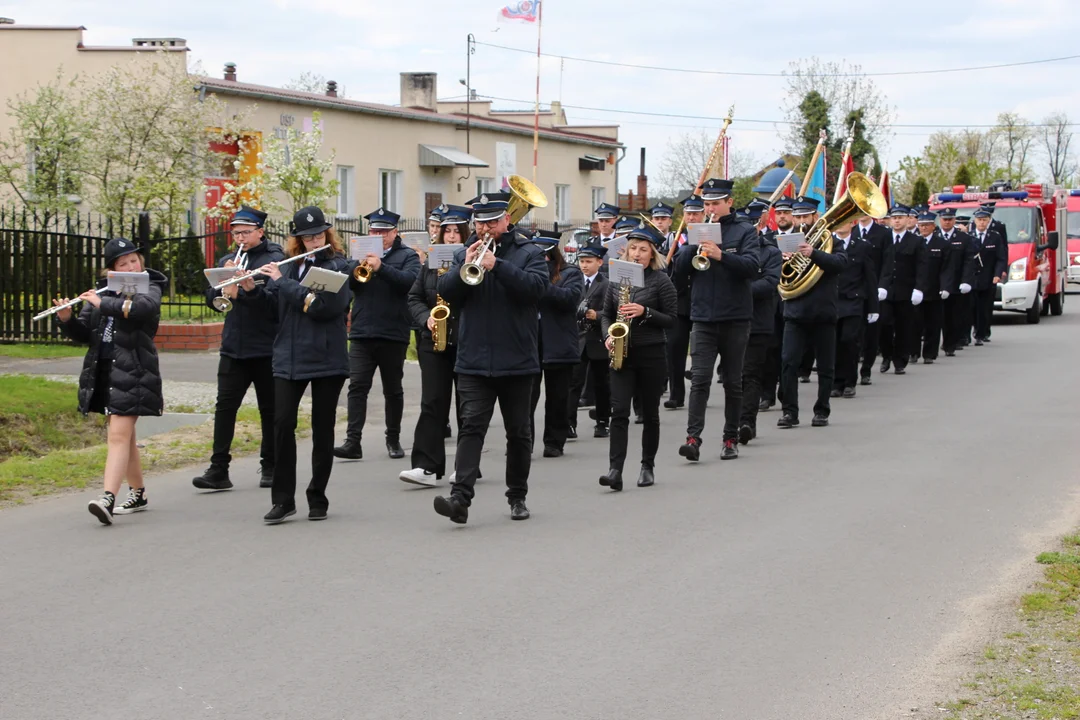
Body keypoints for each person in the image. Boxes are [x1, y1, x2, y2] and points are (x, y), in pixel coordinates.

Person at [431, 193, 548, 524]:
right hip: (473, 358)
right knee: (471, 427)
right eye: (480, 222)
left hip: (517, 357)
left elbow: (536, 290)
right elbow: (446, 291)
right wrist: (462, 266)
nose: (485, 228)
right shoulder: (461, 253)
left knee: (519, 432)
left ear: (506, 221)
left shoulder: (529, 253)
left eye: (492, 222)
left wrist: (498, 266)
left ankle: (517, 496)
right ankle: (460, 499)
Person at [57, 237, 167, 524]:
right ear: (111, 270)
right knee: (125, 437)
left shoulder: (149, 287)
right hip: (105, 370)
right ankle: (138, 493)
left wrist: (101, 302)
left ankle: (107, 497)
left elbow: (143, 310)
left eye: (134, 260)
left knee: (118, 434)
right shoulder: (102, 292)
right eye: (123, 263)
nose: (131, 266)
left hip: (135, 370)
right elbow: (86, 336)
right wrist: (68, 319)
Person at [257, 207, 351, 524]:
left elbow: (324, 308)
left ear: (327, 235)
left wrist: (283, 284)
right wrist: (248, 291)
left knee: (322, 430)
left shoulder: (337, 266)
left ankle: (317, 497)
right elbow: (276, 311)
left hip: (327, 359)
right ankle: (283, 500)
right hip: (288, 357)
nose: (313, 241)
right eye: (307, 236)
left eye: (318, 235)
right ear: (296, 240)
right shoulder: (290, 268)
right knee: (282, 425)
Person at [194, 206, 285, 492]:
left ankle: (270, 465)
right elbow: (211, 297)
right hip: (234, 347)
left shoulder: (275, 260)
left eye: (246, 232)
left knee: (269, 411)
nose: (240, 238)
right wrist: (222, 291)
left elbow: (275, 305)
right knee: (225, 409)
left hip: (266, 347)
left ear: (261, 231)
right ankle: (218, 469)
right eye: (236, 233)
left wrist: (248, 289)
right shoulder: (228, 259)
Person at [675, 178, 760, 461]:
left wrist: (721, 255)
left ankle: (730, 438)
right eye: (707, 204)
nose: (710, 208)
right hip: (703, 317)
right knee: (699, 380)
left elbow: (751, 267)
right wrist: (689, 247)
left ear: (729, 203)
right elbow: (679, 274)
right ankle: (693, 438)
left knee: (733, 382)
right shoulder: (696, 231)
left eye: (715, 203)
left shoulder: (745, 231)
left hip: (735, 317)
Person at [335, 208, 421, 461]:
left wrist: (381, 267)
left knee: (392, 389)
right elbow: (347, 285)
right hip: (362, 331)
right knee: (357, 387)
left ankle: (393, 439)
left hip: (393, 331)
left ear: (395, 233)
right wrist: (356, 267)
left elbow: (409, 282)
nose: (378, 235)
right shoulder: (359, 255)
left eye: (384, 231)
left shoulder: (407, 256)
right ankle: (353, 442)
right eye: (374, 231)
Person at [598, 224, 678, 490]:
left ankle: (647, 466)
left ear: (652, 253)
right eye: (633, 248)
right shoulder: (615, 278)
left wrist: (646, 312)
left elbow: (672, 320)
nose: (637, 254)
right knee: (618, 411)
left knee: (650, 413)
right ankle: (615, 470)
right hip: (622, 353)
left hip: (651, 353)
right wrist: (608, 336)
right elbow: (606, 314)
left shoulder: (661, 280)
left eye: (643, 250)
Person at [400, 206, 471, 487]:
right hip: (433, 340)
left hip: (467, 340)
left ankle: (466, 466)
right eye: (447, 231)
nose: (452, 237)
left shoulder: (472, 260)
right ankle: (426, 466)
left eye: (457, 232)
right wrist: (425, 318)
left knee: (467, 405)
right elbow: (414, 297)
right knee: (432, 402)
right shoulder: (430, 262)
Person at [530, 230, 584, 457]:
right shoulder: (526, 272)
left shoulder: (570, 272)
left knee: (558, 397)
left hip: (558, 341)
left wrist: (539, 283)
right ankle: (522, 441)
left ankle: (554, 441)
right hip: (530, 340)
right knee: (525, 398)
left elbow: (570, 299)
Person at [737, 211, 782, 444]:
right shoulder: (729, 249)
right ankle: (733, 421)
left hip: (759, 321)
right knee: (735, 376)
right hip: (730, 319)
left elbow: (770, 282)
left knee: (751, 374)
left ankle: (746, 422)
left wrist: (738, 290)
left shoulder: (771, 251)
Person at [663, 193, 704, 410]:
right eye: (689, 213)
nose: (692, 217)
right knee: (674, 348)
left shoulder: (710, 236)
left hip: (702, 300)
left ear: (704, 214)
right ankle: (676, 394)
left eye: (696, 213)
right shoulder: (673, 239)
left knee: (700, 351)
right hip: (678, 301)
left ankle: (700, 393)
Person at [831, 220, 878, 398]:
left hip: (853, 301)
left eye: (845, 222)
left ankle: (850, 382)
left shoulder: (861, 246)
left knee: (849, 341)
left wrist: (874, 307)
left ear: (852, 223)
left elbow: (869, 276)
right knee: (833, 343)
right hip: (832, 301)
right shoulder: (827, 244)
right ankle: (836, 382)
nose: (841, 225)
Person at [878, 204, 927, 375]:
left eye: (900, 217)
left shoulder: (916, 241)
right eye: (894, 218)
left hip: (906, 291)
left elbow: (921, 267)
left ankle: (900, 360)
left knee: (904, 328)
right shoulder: (884, 238)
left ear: (907, 219)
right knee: (884, 325)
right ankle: (886, 355)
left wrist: (919, 289)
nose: (897, 221)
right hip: (885, 291)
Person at [570, 243, 611, 439]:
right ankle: (569, 423)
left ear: (599, 262)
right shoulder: (575, 280)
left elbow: (614, 310)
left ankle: (603, 421)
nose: (584, 265)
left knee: (602, 383)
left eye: (589, 261)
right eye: (582, 261)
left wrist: (599, 315)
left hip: (597, 339)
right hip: (578, 340)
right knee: (574, 383)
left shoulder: (607, 284)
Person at [761, 197, 797, 410]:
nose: (782, 216)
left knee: (789, 352)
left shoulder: (802, 238)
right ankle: (767, 394)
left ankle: (786, 392)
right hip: (771, 300)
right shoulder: (768, 238)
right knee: (770, 349)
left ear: (792, 215)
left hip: (792, 299)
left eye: (786, 213)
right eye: (779, 213)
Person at [912, 211, 958, 364]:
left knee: (933, 324)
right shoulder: (913, 242)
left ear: (933, 226)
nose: (923, 228)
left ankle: (929, 354)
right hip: (916, 290)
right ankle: (913, 352)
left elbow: (947, 268)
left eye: (926, 225)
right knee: (914, 324)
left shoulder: (942, 245)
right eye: (921, 225)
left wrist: (945, 287)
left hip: (934, 290)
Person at [853, 213, 891, 385]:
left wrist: (883, 285)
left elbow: (888, 262)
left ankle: (866, 369)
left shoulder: (883, 233)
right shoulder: (851, 231)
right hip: (854, 290)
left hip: (873, 287)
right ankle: (850, 372)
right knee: (854, 334)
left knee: (872, 333)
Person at [937, 207, 976, 356]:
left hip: (956, 284)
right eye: (944, 219)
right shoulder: (934, 236)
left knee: (953, 317)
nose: (947, 222)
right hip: (936, 283)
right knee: (936, 317)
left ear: (954, 220)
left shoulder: (963, 238)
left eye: (950, 219)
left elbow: (968, 261)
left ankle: (950, 344)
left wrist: (966, 281)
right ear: (940, 220)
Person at [969, 206, 1008, 345]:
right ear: (975, 221)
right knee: (971, 307)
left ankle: (981, 334)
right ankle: (970, 333)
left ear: (989, 221)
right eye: (979, 220)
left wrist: (998, 274)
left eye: (984, 220)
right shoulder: (969, 236)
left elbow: (1001, 258)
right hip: (972, 278)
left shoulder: (995, 237)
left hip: (989, 277)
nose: (981, 223)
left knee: (985, 308)